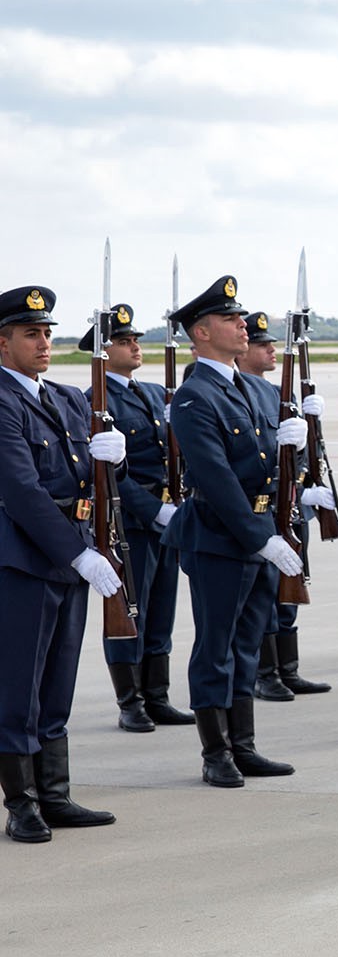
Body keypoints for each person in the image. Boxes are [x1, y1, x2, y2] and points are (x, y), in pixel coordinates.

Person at [162, 280, 301, 787]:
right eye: (230, 319)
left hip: (261, 532)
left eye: (241, 317)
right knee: (215, 646)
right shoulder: (195, 397)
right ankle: (215, 751)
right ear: (201, 333)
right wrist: (259, 537)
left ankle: (244, 745)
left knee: (248, 644)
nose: (243, 324)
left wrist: (298, 447)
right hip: (220, 539)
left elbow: (274, 467)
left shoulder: (260, 389)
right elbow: (216, 478)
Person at [0, 285, 122, 841]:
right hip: (25, 560)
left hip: (70, 556)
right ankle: (21, 803)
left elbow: (87, 483)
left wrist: (111, 458)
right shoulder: (2, 401)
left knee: (58, 681)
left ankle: (56, 794)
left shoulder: (69, 398)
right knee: (18, 685)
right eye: (31, 334)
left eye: (48, 332)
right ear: (3, 344)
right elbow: (22, 491)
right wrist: (78, 553)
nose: (45, 342)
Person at [81, 303, 195, 731]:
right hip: (130, 518)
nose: (134, 347)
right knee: (129, 609)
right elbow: (106, 475)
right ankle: (130, 701)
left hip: (165, 515)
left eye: (135, 340)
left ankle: (157, 695)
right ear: (102, 351)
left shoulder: (149, 392)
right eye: (124, 341)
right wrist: (155, 510)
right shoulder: (95, 401)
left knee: (161, 606)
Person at [238, 312, 336, 701]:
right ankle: (266, 672)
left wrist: (305, 484)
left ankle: (287, 669)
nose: (271, 349)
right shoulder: (241, 392)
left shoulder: (278, 394)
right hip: (266, 508)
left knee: (289, 591)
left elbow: (302, 455)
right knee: (265, 596)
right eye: (263, 344)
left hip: (292, 504)